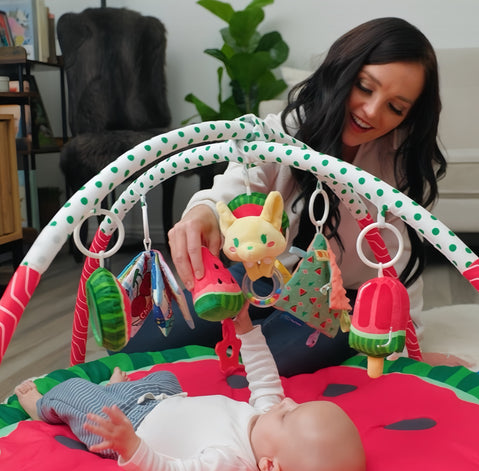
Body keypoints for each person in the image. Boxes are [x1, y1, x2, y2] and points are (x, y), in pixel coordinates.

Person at [121, 17, 446, 376]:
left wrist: (405, 341)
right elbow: (237, 184)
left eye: (395, 108)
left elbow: (399, 262)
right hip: (261, 278)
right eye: (365, 88)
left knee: (268, 367)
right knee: (140, 346)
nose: (371, 112)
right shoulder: (285, 130)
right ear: (341, 74)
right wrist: (205, 213)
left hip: (336, 299)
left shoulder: (399, 165)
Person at [15, 305, 366, 471]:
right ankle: (117, 388)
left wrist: (131, 447)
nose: (287, 403)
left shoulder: (229, 463)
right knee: (168, 377)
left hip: (131, 426)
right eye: (297, 405)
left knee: (77, 393)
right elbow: (262, 373)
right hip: (162, 398)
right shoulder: (266, 416)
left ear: (270, 467)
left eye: (289, 416)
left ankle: (43, 405)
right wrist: (246, 330)